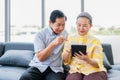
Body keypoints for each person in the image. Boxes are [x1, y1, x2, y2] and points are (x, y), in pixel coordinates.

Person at [20, 10, 68, 80]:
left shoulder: (65, 34)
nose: (61, 28)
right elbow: (40, 58)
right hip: (39, 66)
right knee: (25, 77)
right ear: (50, 23)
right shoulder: (40, 35)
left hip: (55, 68)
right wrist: (53, 44)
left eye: (63, 25)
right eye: (58, 25)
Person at [62, 12, 107, 80]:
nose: (81, 28)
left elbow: (98, 63)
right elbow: (65, 61)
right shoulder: (70, 39)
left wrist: (87, 59)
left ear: (90, 26)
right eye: (79, 25)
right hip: (76, 70)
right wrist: (67, 54)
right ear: (76, 24)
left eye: (85, 26)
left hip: (94, 71)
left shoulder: (96, 41)